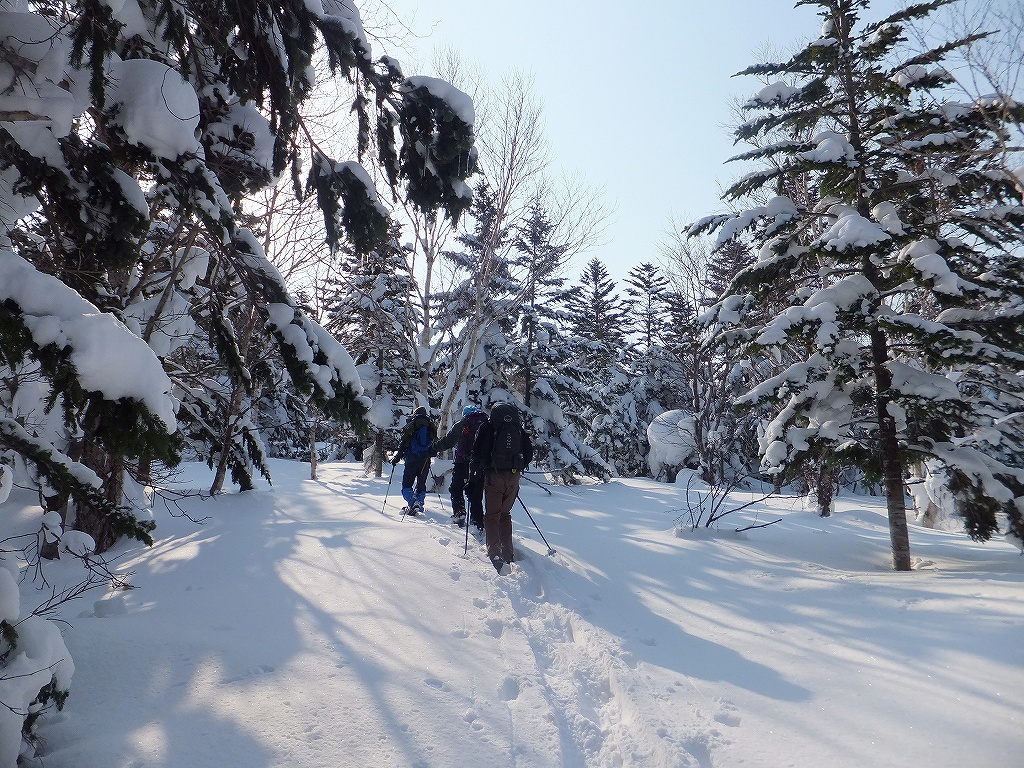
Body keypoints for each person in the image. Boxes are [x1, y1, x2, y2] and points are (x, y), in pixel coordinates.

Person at [470, 402, 534, 572]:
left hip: (494, 476)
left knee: (492, 516)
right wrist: (516, 467)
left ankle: (495, 554)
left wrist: (475, 473)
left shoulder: (487, 427)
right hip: (513, 477)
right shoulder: (517, 429)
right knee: (505, 515)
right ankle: (508, 553)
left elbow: (476, 453)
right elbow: (529, 452)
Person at [431, 405, 488, 530]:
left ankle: (459, 511)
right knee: (476, 494)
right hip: (479, 465)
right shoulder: (487, 424)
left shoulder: (462, 424)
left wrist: (434, 448)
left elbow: (448, 441)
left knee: (456, 489)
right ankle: (477, 522)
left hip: (462, 463)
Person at [392, 406, 436, 515]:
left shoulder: (412, 424)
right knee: (421, 484)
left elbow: (404, 442)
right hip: (425, 460)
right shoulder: (431, 426)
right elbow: (435, 443)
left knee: (406, 485)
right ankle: (419, 504)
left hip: (412, 459)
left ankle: (412, 502)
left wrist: (397, 456)